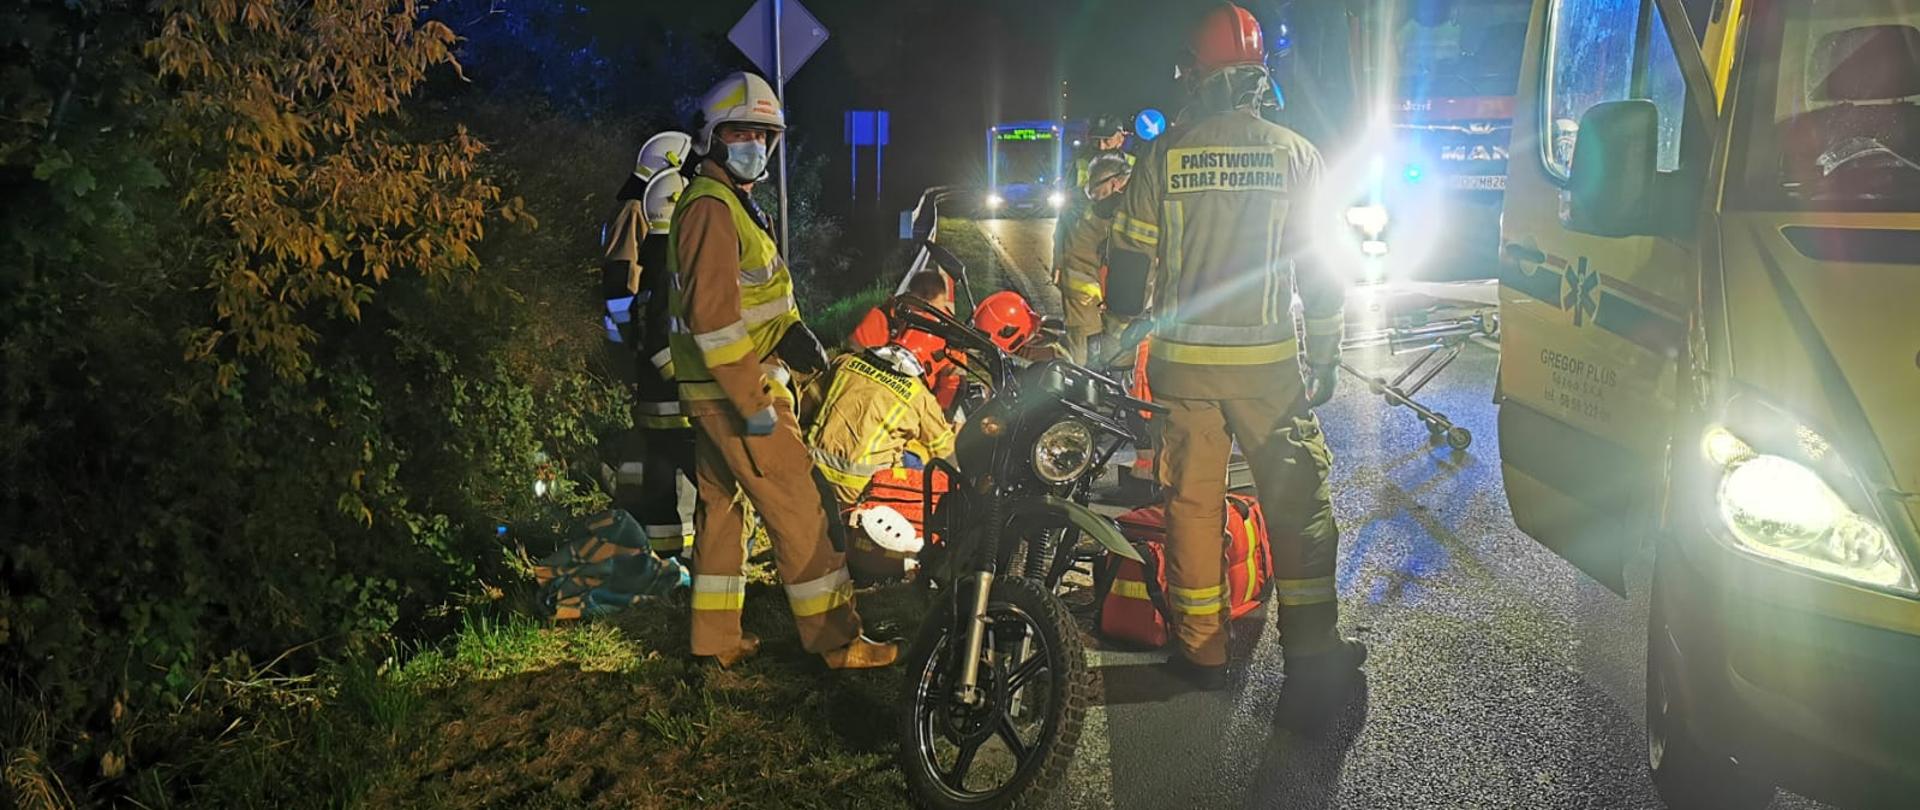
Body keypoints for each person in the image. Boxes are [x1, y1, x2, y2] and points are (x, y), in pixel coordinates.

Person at [1105, 4, 1364, 691]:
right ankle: (1311, 651)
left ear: (1195, 75)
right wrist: (1326, 353)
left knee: (1192, 507)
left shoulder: (1163, 156)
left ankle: (1203, 652)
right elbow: (1321, 272)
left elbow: (1127, 270)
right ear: (1258, 77)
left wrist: (1121, 330)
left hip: (1183, 369)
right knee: (1298, 501)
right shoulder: (1296, 155)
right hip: (1268, 371)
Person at [667, 71, 897, 670]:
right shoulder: (713, 207)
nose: (755, 145)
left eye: (763, 135)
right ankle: (838, 642)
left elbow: (744, 302)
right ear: (712, 137)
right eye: (741, 132)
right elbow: (714, 321)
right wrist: (754, 401)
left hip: (720, 390)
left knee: (721, 513)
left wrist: (789, 335)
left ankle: (714, 640)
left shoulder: (726, 204)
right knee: (801, 510)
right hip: (740, 392)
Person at [601, 132, 697, 557]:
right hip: (657, 365)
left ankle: (659, 553)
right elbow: (620, 293)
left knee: (656, 467)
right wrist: (631, 355)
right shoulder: (636, 214)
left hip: (650, 362)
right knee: (669, 463)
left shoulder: (643, 213)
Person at [808, 335, 957, 583]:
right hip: (861, 489)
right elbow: (947, 453)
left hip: (811, 472)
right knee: (917, 464)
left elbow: (810, 400)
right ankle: (898, 552)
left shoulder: (845, 363)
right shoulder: (918, 395)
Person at [1053, 153, 1133, 364]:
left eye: (1095, 189)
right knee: (1086, 357)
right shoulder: (1102, 210)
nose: (1093, 195)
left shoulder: (1121, 204)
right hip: (1086, 300)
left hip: (1102, 300)